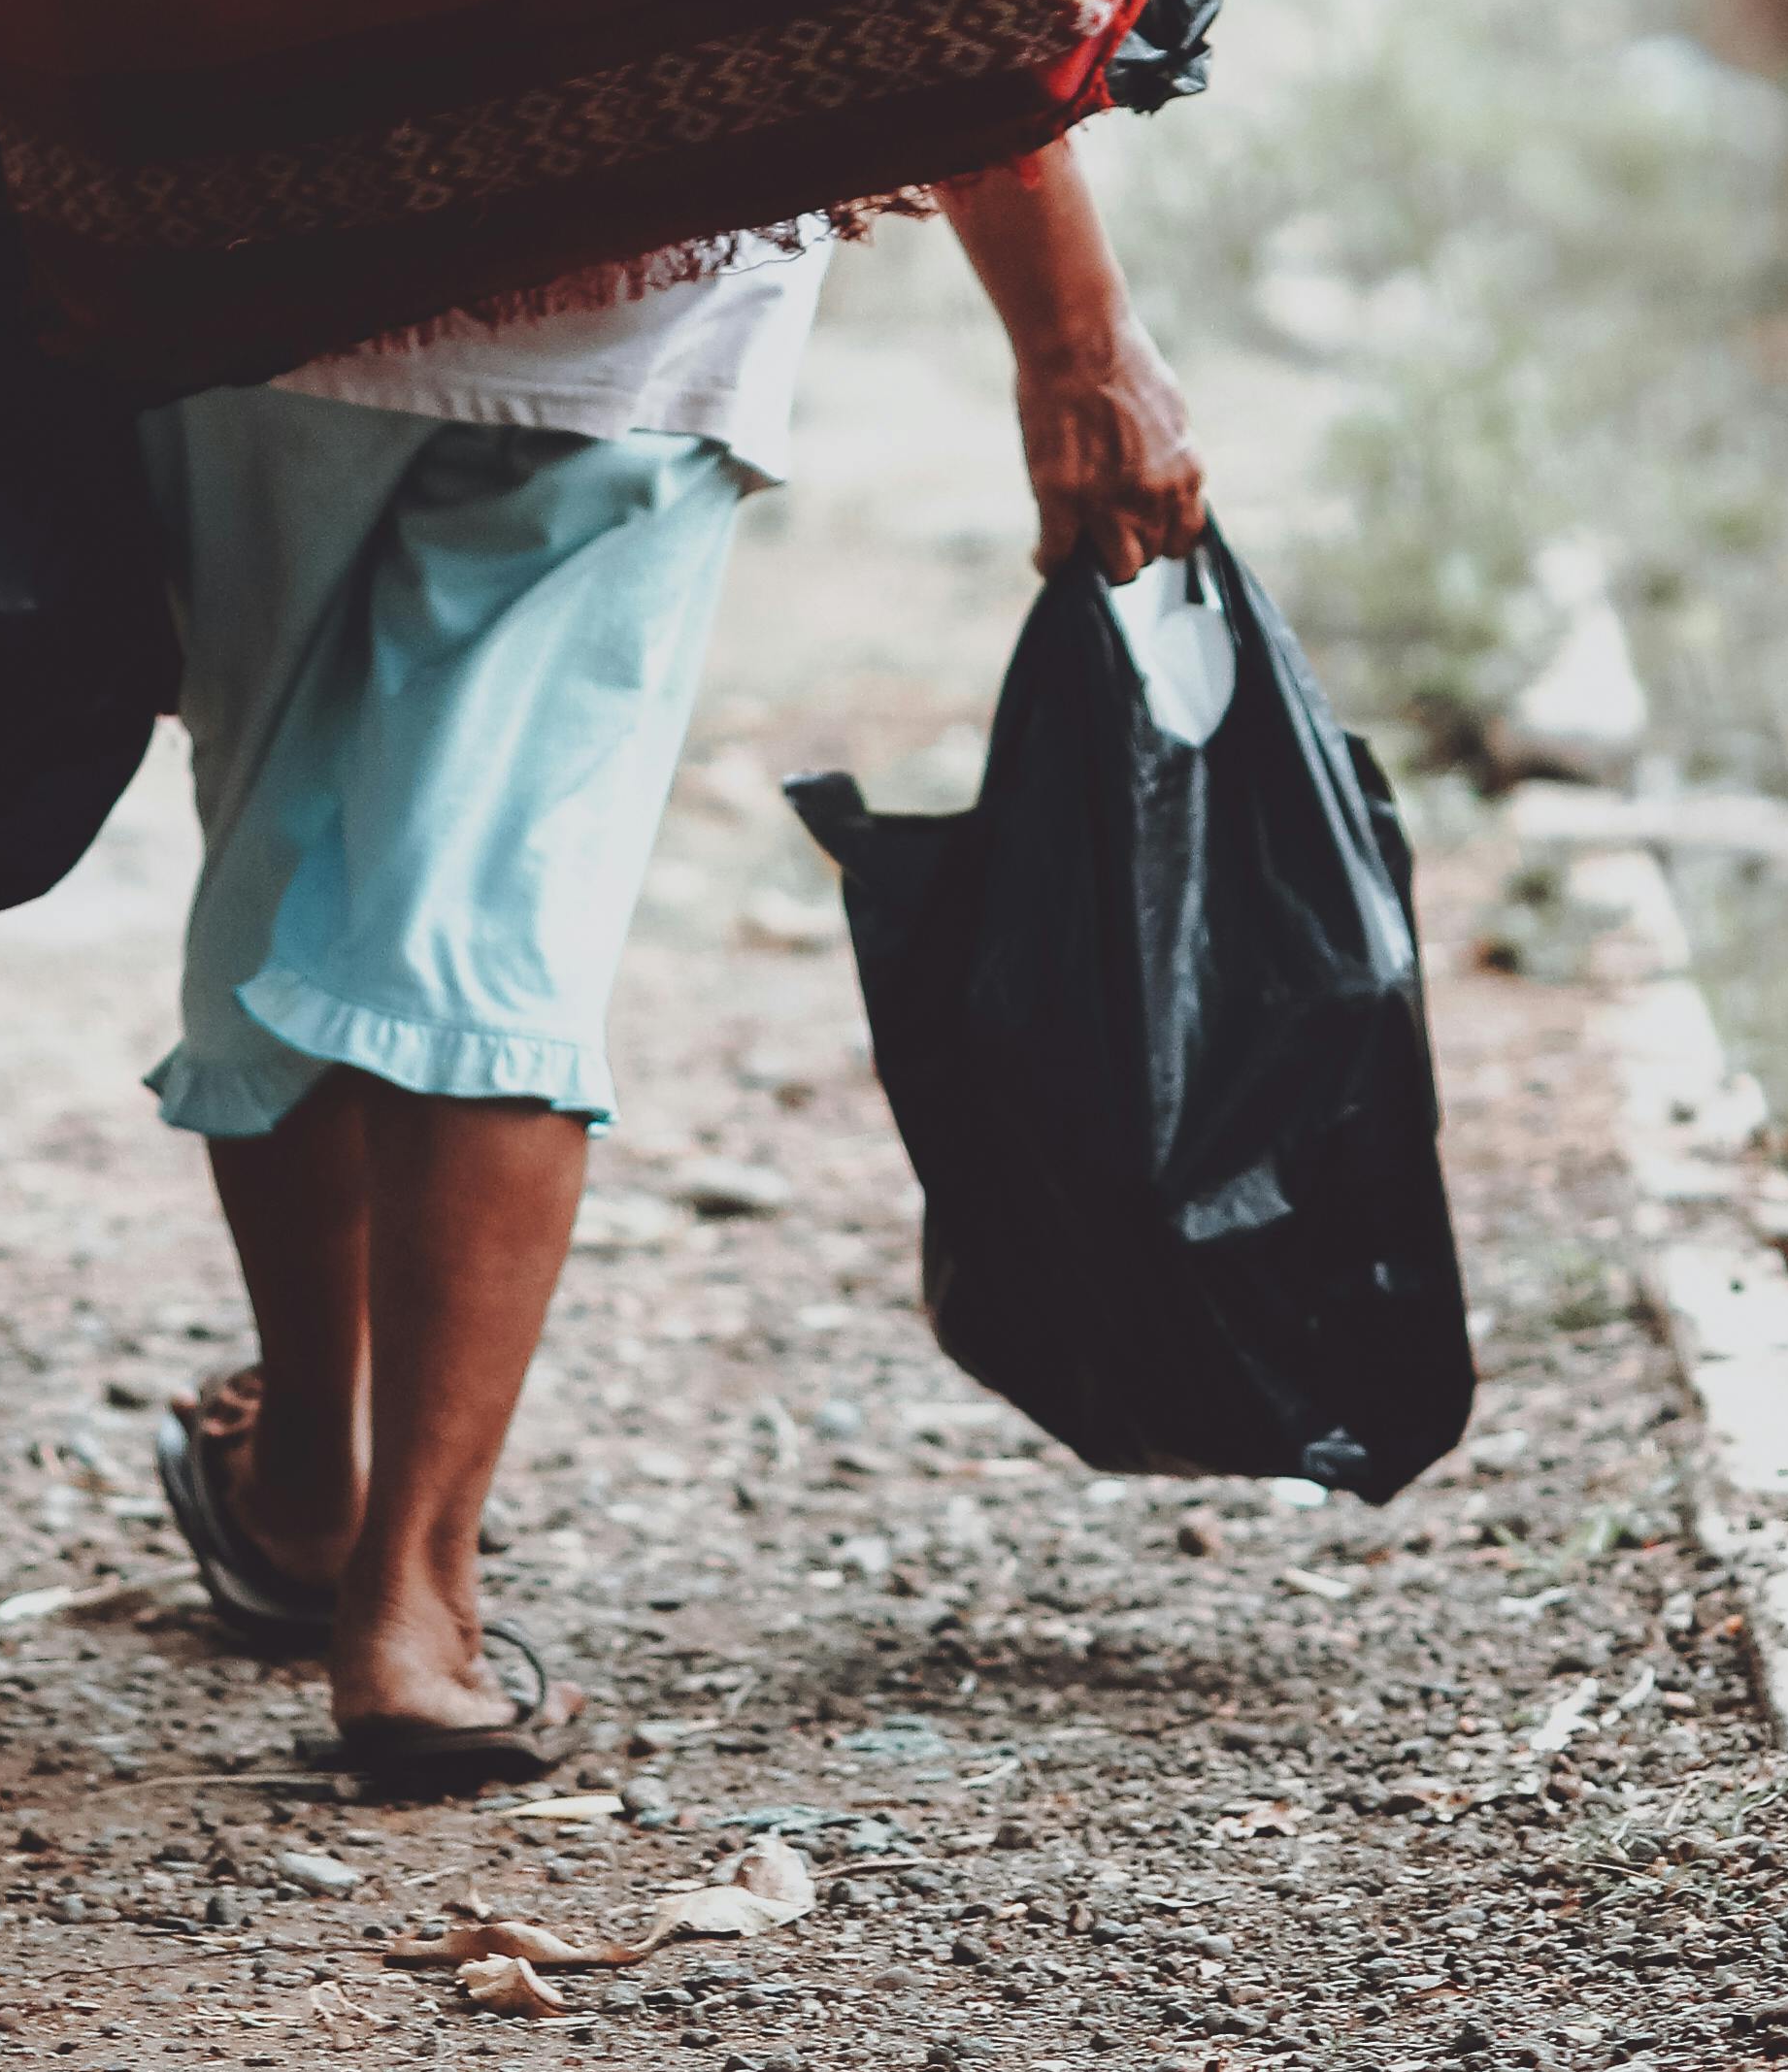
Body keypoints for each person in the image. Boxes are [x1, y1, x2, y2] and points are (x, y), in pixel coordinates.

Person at [146, 135, 1203, 1786]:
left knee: (277, 824)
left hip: (258, 226)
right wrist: (1076, 339)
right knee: (500, 900)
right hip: (631, 268)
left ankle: (300, 1479)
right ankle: (413, 1611)